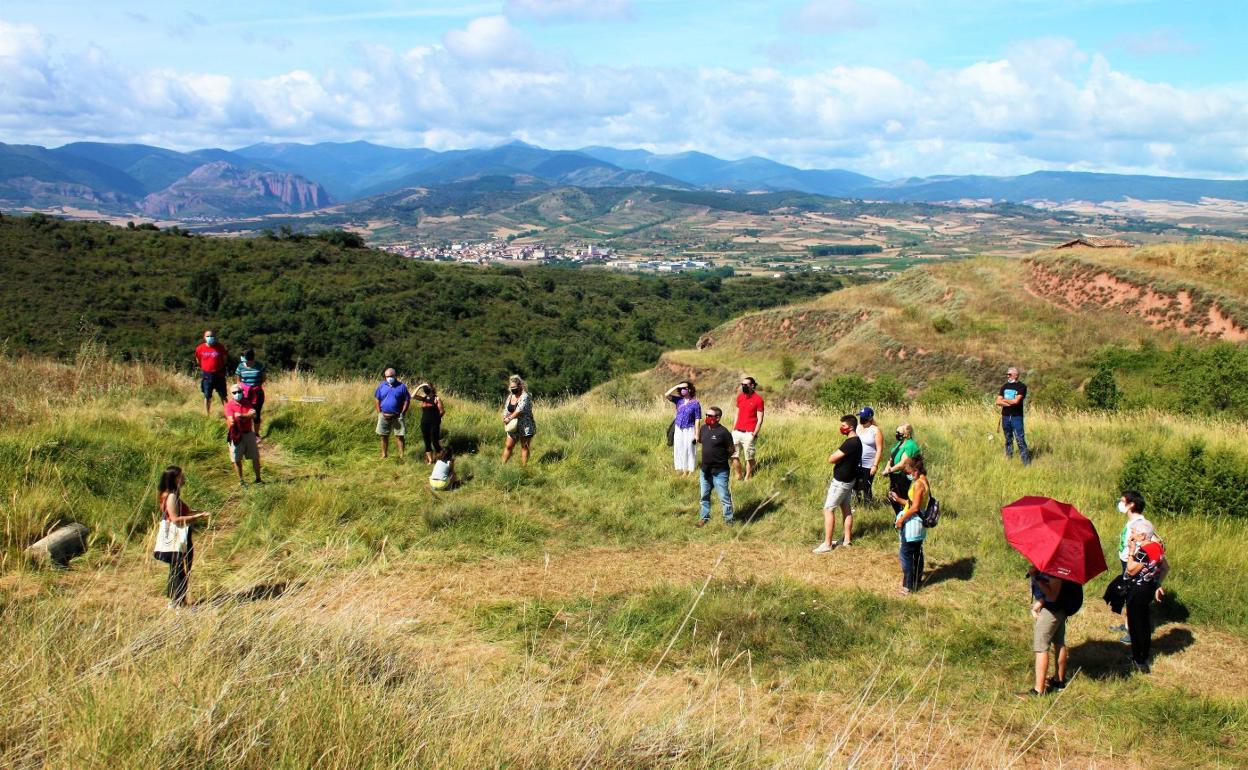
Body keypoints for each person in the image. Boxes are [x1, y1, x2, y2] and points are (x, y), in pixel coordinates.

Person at [154, 466, 209, 608]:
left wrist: (195, 512)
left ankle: (175, 601)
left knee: (176, 568)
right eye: (181, 476)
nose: (184, 478)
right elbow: (175, 518)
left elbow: (180, 511)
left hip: (177, 536)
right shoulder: (171, 496)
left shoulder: (169, 493)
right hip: (177, 537)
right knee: (179, 569)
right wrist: (198, 516)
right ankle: (180, 603)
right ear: (175, 479)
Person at [814, 415, 862, 553]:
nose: (841, 428)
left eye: (844, 426)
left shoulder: (850, 443)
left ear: (851, 427)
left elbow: (832, 458)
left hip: (841, 481)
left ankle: (827, 544)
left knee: (828, 509)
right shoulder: (858, 441)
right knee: (846, 508)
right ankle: (846, 540)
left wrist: (838, 461)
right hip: (850, 480)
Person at [1124, 530, 1169, 674]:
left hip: (1137, 591)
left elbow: (1130, 570)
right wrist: (1157, 584)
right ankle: (1144, 655)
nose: (1131, 533)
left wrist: (1131, 551)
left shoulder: (1144, 551)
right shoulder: (1157, 547)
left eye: (1134, 532)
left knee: (1136, 624)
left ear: (1143, 535)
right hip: (1148, 589)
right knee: (1144, 622)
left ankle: (1139, 659)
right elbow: (1162, 568)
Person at [1019, 567, 1069, 697]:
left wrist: (1035, 577)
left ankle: (1038, 690)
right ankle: (1059, 681)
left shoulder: (1056, 567)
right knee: (1059, 642)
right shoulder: (1060, 563)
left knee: (1041, 647)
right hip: (1060, 607)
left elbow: (1052, 594)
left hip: (1052, 610)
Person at [1111, 490, 1151, 641]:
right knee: (1128, 594)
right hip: (1126, 562)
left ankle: (1132, 631)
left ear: (1131, 504)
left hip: (1133, 565)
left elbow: (1145, 549)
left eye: (1122, 501)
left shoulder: (1140, 524)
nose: (1120, 504)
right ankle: (1127, 624)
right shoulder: (1132, 522)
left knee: (1132, 596)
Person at [891, 454, 928, 595]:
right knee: (917, 551)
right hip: (919, 523)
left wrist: (901, 519)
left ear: (915, 471)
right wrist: (899, 499)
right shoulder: (924, 481)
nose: (908, 475)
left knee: (905, 553)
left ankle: (907, 586)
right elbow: (913, 503)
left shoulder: (918, 484)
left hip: (913, 523)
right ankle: (917, 578)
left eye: (908, 472)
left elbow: (915, 507)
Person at [694, 406, 734, 527]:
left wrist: (721, 459)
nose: (707, 418)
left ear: (718, 418)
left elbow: (731, 450)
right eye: (706, 415)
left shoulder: (724, 432)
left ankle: (729, 521)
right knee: (704, 496)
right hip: (705, 470)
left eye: (710, 416)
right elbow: (702, 441)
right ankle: (704, 518)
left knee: (724, 497)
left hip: (720, 472)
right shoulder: (704, 428)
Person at [224, 384, 263, 484]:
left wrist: (241, 416)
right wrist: (247, 416)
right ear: (231, 394)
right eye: (234, 392)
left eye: (239, 392)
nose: (237, 394)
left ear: (242, 392)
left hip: (249, 433)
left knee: (255, 457)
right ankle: (241, 481)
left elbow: (254, 415)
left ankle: (258, 479)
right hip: (236, 435)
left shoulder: (247, 402)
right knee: (236, 459)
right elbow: (232, 421)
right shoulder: (228, 405)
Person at [881, 423, 920, 515]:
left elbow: (903, 463)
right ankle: (899, 515)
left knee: (902, 497)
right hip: (894, 475)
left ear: (907, 434)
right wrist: (887, 468)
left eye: (899, 432)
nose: (897, 434)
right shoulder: (900, 443)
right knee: (892, 496)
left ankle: (906, 516)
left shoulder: (910, 445)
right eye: (896, 432)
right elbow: (891, 457)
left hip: (904, 475)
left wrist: (889, 470)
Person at [731, 376, 765, 481]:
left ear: (752, 385)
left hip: (749, 433)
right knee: (733, 455)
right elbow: (737, 414)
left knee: (749, 457)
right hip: (736, 432)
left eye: (746, 385)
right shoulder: (740, 397)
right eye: (742, 384)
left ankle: (747, 477)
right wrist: (733, 429)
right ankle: (739, 475)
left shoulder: (758, 400)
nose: (743, 386)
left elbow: (760, 419)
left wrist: (754, 434)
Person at [995, 366, 1030, 465]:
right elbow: (997, 401)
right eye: (1007, 374)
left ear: (1016, 375)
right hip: (1005, 417)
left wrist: (1004, 400)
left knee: (1020, 439)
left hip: (1016, 417)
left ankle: (1026, 463)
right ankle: (1008, 459)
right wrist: (1009, 402)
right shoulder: (1004, 386)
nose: (1008, 376)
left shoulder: (1021, 387)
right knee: (1008, 439)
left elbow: (1016, 401)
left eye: (1009, 374)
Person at [665, 381, 701, 475]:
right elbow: (666, 394)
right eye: (680, 389)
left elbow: (697, 419)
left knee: (689, 448)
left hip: (689, 429)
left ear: (689, 389)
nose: (682, 390)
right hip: (678, 428)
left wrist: (697, 434)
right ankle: (683, 469)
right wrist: (677, 385)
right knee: (679, 447)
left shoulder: (695, 403)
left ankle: (690, 470)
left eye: (684, 388)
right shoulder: (678, 400)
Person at [375, 368, 411, 459]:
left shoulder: (402, 386)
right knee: (383, 436)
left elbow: (407, 400)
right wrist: (379, 412)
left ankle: (402, 456)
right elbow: (377, 399)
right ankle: (384, 455)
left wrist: (402, 412)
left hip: (397, 416)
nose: (389, 378)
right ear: (385, 377)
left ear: (395, 376)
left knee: (399, 436)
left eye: (391, 376)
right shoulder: (381, 386)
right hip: (383, 415)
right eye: (387, 376)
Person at [501, 374, 536, 465]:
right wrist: (505, 417)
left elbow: (520, 410)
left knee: (524, 447)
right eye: (511, 387)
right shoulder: (510, 396)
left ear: (520, 386)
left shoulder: (525, 396)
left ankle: (524, 468)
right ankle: (502, 466)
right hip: (512, 425)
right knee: (508, 446)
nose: (513, 389)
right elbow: (506, 409)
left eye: (514, 387)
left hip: (525, 425)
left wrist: (509, 418)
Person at [195, 330, 229, 416]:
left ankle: (228, 412)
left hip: (219, 374)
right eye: (208, 336)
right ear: (204, 337)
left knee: (223, 395)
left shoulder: (220, 347)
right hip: (207, 375)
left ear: (215, 337)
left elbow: (225, 359)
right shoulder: (200, 348)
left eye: (212, 336)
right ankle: (207, 414)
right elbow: (198, 360)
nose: (210, 338)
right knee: (207, 395)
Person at [855, 406, 884, 504]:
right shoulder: (858, 428)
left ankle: (868, 506)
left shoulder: (875, 430)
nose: (861, 419)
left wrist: (875, 465)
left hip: (869, 464)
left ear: (870, 418)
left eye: (863, 417)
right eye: (860, 417)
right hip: (856, 462)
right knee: (855, 485)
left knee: (866, 486)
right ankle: (857, 503)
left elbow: (879, 449)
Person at [235, 347, 267, 436]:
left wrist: (256, 385)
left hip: (257, 393)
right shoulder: (240, 366)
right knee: (245, 413)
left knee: (256, 414)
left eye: (243, 356)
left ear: (249, 357)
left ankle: (256, 434)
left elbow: (264, 378)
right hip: (244, 393)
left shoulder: (260, 365)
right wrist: (242, 389)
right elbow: (238, 380)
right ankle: (246, 432)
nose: (241, 358)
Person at [415, 382, 445, 465]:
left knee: (435, 441)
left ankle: (442, 458)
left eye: (427, 387)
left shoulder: (437, 398)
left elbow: (442, 411)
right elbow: (412, 396)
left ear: (431, 388)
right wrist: (420, 386)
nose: (425, 389)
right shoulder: (424, 398)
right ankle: (430, 460)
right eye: (425, 387)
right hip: (424, 423)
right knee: (427, 441)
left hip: (434, 423)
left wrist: (436, 419)